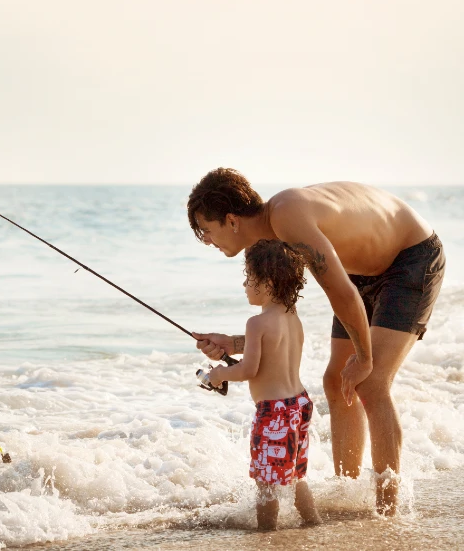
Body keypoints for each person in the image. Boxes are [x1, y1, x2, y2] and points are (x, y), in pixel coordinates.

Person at [189, 169, 445, 515]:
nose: (206, 240)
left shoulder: (287, 216)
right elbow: (283, 326)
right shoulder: (272, 235)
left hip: (410, 258)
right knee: (336, 380)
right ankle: (349, 494)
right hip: (362, 271)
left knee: (370, 381)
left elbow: (342, 294)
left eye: (206, 229)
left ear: (231, 220)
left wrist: (365, 359)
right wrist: (235, 343)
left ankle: (387, 510)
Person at [204, 239, 321, 530]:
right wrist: (229, 346)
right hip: (299, 404)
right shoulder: (292, 316)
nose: (245, 286)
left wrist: (218, 375)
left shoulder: (256, 323)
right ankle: (313, 522)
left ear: (266, 283)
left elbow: (248, 370)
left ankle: (266, 534)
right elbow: (270, 353)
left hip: (274, 414)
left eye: (249, 279)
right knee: (295, 477)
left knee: (266, 484)